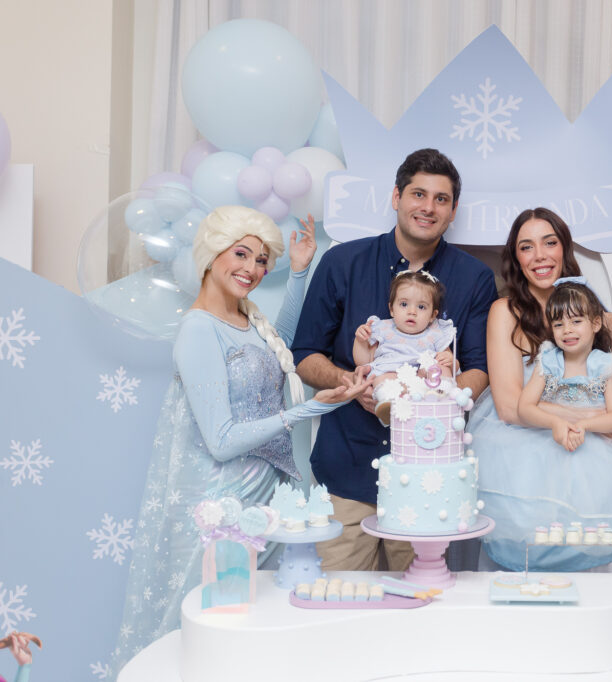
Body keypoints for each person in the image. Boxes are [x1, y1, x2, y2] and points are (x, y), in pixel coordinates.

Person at [112, 207, 369, 671]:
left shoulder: (244, 320)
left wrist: (299, 272)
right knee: (212, 634)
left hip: (266, 497)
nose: (252, 268)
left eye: (262, 260)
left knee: (256, 631)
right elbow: (222, 440)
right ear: (212, 254)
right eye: (241, 254)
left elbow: (278, 349)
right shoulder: (198, 329)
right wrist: (313, 408)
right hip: (222, 504)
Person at [293, 148, 497, 571]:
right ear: (396, 197)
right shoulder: (342, 263)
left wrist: (434, 400)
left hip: (429, 480)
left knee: (424, 597)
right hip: (347, 472)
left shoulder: (474, 278)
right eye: (418, 194)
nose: (428, 207)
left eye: (441, 199)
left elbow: (479, 368)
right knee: (342, 597)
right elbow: (305, 355)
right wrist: (354, 385)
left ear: (453, 209)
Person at [469, 208, 612, 570]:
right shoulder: (506, 312)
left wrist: (602, 420)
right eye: (526, 247)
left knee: (598, 555)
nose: (540, 256)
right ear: (516, 257)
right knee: (527, 563)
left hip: (597, 459)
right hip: (522, 453)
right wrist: (587, 417)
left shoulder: (602, 318)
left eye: (549, 243)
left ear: (564, 248)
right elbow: (510, 407)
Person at [353, 269, 456, 422]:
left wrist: (449, 359)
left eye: (421, 307)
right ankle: (391, 403)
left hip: (425, 380)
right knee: (381, 378)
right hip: (394, 375)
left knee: (441, 368)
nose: (412, 312)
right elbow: (364, 361)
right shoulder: (383, 328)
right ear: (391, 309)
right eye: (404, 304)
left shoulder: (436, 332)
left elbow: (452, 363)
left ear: (432, 315)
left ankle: (442, 397)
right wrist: (360, 341)